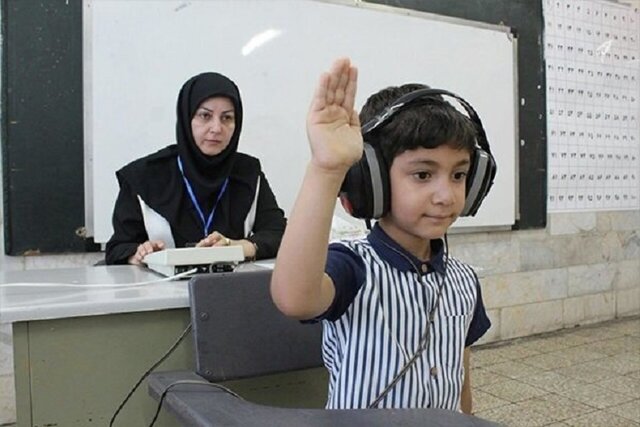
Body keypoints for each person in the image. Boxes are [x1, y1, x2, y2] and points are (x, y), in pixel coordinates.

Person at [270, 58, 491, 413]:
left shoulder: (463, 280)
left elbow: (460, 376)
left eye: (459, 175)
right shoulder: (353, 267)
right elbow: (294, 298)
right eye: (423, 175)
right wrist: (327, 168)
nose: (446, 195)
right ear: (373, 182)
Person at [105, 72, 286, 265]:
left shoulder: (247, 172)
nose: (216, 128)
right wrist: (139, 253)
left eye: (227, 118)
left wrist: (238, 247)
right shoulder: (144, 176)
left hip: (230, 288)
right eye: (205, 116)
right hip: (160, 289)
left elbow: (279, 233)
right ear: (186, 117)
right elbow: (118, 248)